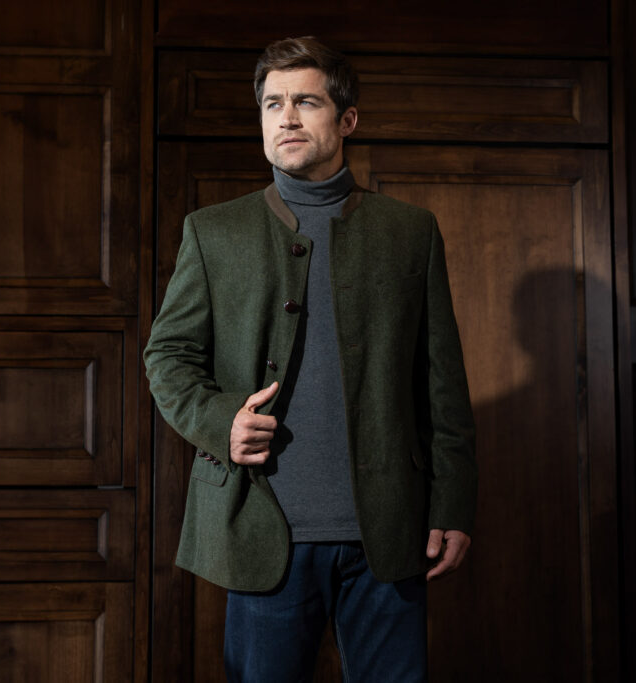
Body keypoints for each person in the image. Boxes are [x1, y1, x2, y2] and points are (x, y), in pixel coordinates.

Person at [144, 36, 477, 682]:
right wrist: (221, 423)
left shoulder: (409, 232)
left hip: (389, 531)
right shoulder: (213, 232)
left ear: (346, 119)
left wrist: (454, 503)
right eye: (272, 104)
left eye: (306, 102)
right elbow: (168, 355)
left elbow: (443, 383)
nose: (287, 118)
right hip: (262, 530)